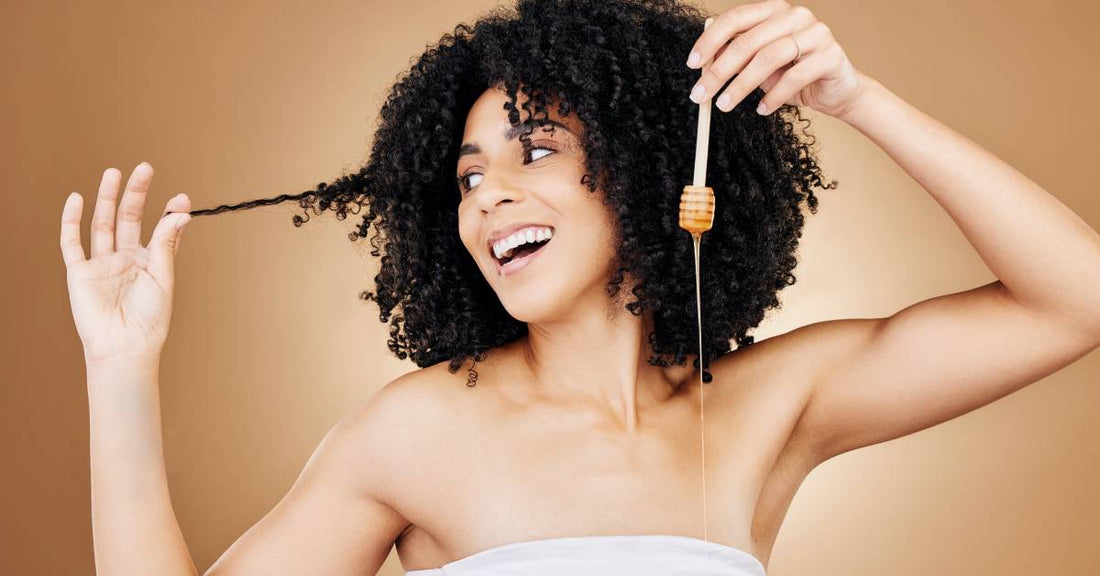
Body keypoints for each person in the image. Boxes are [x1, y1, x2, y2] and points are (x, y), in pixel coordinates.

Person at [59, 0, 1100, 575]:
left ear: (647, 171)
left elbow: (1074, 301)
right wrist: (118, 367)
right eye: (466, 175)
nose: (487, 197)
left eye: (534, 150)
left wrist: (857, 99)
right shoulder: (415, 432)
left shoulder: (767, 408)